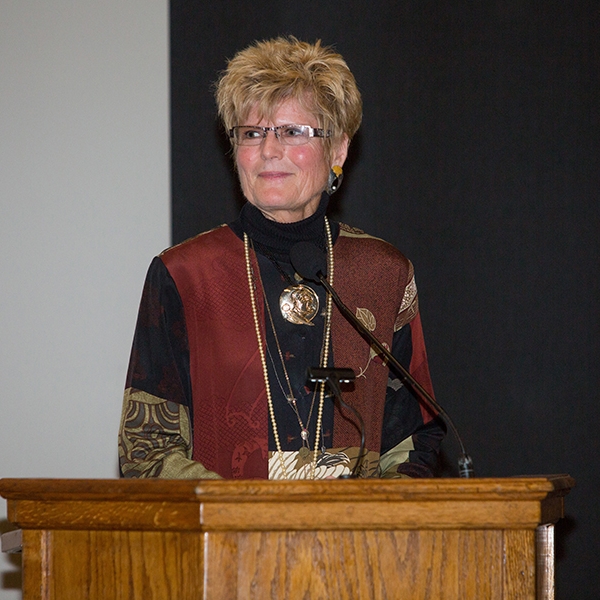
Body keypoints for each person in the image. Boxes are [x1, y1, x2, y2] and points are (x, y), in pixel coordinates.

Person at [118, 36, 445, 480]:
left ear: (338, 150)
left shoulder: (383, 273)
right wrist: (243, 522)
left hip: (360, 543)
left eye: (292, 132)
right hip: (226, 542)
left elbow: (415, 443)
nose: (269, 150)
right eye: (252, 133)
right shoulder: (184, 275)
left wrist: (367, 527)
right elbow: (146, 447)